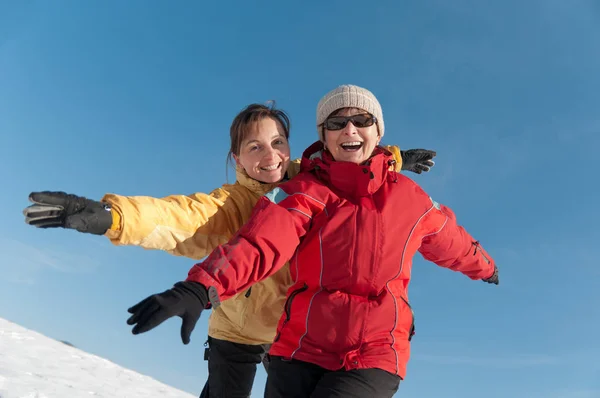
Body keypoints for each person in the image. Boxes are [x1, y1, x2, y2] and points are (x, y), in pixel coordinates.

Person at [23, 100, 437, 398]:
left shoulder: (314, 182)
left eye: (277, 143)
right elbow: (178, 217)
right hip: (237, 329)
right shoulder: (232, 204)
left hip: (291, 334)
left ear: (291, 148)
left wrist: (395, 158)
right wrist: (115, 217)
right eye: (254, 147)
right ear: (237, 158)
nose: (269, 155)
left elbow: (356, 163)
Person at [125, 84, 499, 398]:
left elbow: (452, 240)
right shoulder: (304, 191)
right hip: (298, 348)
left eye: (362, 120)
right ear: (324, 135)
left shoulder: (410, 199)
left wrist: (486, 266)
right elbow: (260, 243)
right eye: (337, 123)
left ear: (378, 132)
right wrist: (198, 288)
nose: (350, 129)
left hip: (374, 352)